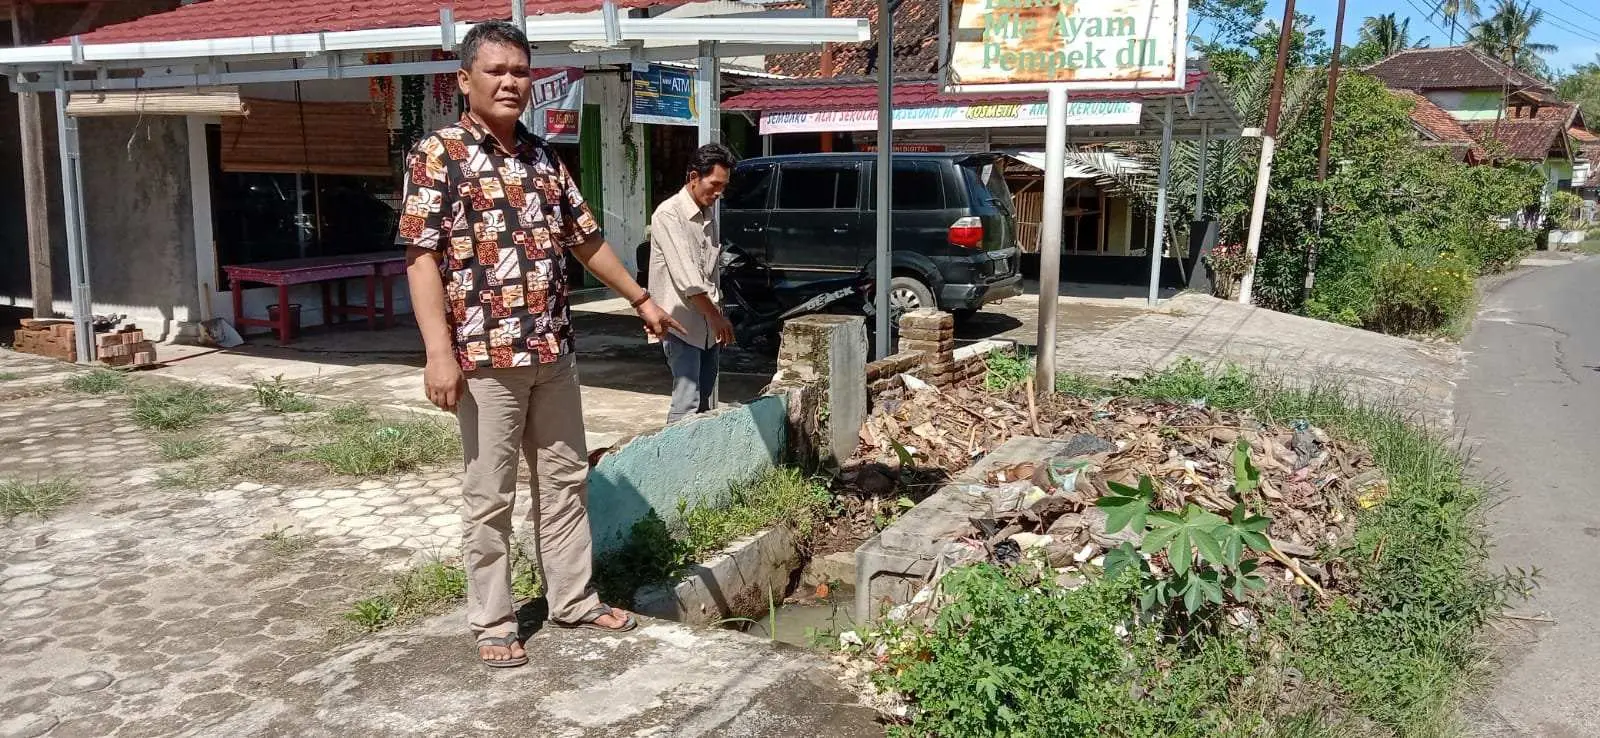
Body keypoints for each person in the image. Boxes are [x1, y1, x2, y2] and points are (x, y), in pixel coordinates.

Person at [397, 20, 682, 669]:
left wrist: (641, 298)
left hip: (553, 351)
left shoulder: (544, 159)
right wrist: (438, 353)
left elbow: (584, 240)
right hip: (485, 358)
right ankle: (494, 620)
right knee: (490, 495)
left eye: (520, 72)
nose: (510, 82)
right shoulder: (439, 155)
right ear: (464, 80)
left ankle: (573, 599)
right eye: (495, 70)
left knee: (564, 481)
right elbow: (420, 257)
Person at [649, 143, 738, 423]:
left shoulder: (708, 215)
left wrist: (717, 315)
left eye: (723, 186)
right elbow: (687, 279)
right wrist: (715, 316)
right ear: (694, 177)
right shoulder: (668, 214)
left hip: (708, 326)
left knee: (704, 403)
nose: (719, 193)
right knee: (686, 403)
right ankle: (673, 451)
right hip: (681, 324)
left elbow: (710, 273)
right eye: (715, 185)